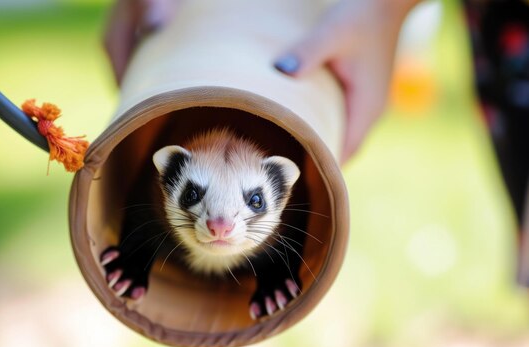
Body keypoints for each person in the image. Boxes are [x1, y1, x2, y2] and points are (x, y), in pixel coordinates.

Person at [102, 0, 529, 285]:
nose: (219, 222)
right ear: (167, 173)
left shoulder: (266, 233)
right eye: (193, 193)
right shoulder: (149, 214)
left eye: (253, 202)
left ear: (283, 189)